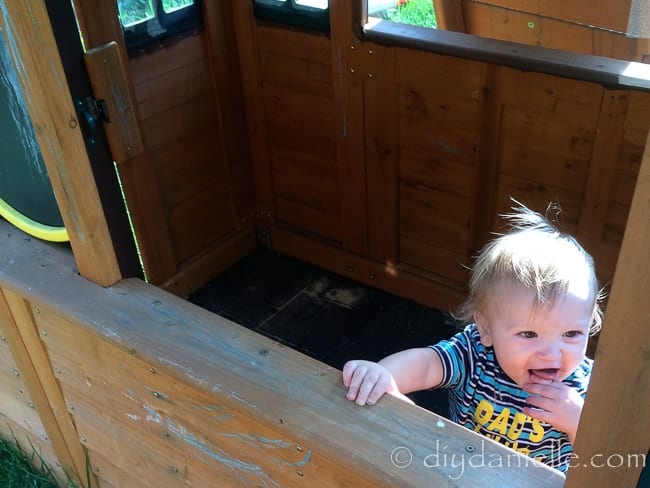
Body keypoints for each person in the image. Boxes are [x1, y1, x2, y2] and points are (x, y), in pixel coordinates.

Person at [342, 202, 603, 473]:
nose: (551, 353)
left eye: (571, 334)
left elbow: (603, 458)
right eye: (529, 334)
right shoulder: (475, 354)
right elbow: (428, 363)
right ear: (486, 329)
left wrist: (579, 422)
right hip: (463, 473)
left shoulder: (589, 388)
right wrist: (384, 376)